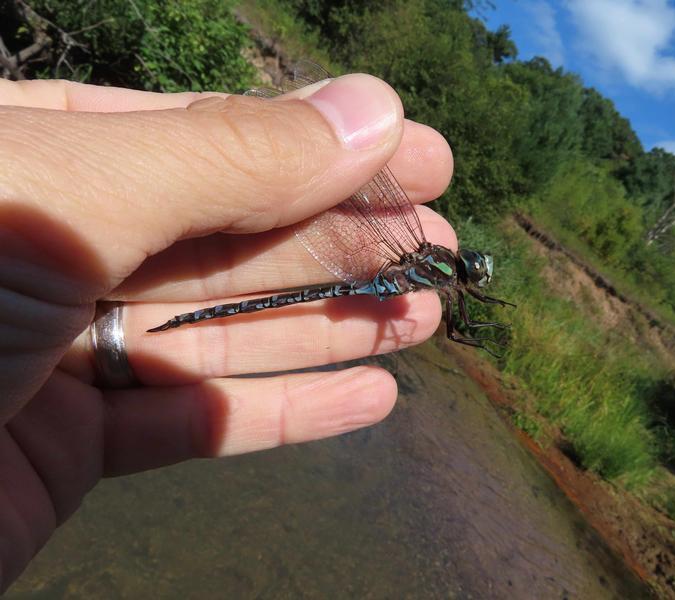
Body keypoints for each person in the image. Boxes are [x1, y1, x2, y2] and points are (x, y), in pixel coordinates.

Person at [0, 73, 455, 591]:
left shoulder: (431, 267)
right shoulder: (428, 261)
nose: (467, 278)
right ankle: (176, 319)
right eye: (469, 273)